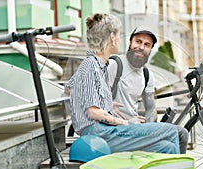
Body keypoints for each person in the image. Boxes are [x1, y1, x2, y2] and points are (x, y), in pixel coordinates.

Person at [65, 13, 180, 154]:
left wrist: (104, 102)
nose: (120, 40)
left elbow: (69, 89)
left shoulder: (97, 65)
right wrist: (126, 122)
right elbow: (93, 112)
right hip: (99, 134)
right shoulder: (91, 65)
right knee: (171, 131)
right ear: (112, 38)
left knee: (166, 147)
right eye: (118, 35)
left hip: (105, 130)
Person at [107, 26, 189, 153]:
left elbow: (151, 108)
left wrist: (149, 128)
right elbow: (95, 101)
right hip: (116, 130)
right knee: (181, 134)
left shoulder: (147, 74)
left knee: (170, 146)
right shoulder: (115, 65)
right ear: (130, 43)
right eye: (138, 42)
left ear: (150, 50)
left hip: (135, 130)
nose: (141, 47)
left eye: (147, 44)